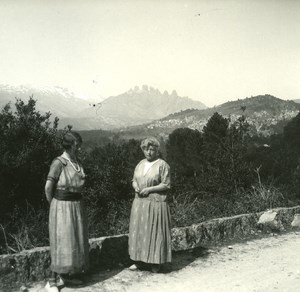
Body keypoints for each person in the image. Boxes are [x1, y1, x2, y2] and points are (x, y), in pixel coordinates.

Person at [44, 131, 89, 291]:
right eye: (77, 145)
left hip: (76, 205)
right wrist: (55, 206)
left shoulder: (76, 161)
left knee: (75, 241)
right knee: (61, 242)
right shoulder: (58, 163)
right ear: (70, 145)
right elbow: (48, 188)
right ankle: (51, 280)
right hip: (62, 207)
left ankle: (67, 277)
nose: (79, 148)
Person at [128, 137, 172, 273]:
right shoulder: (140, 164)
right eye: (146, 149)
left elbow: (166, 184)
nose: (149, 152)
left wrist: (149, 189)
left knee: (155, 232)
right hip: (140, 203)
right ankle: (139, 260)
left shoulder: (163, 165)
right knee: (140, 231)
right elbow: (134, 180)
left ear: (157, 150)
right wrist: (135, 186)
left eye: (152, 149)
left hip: (155, 203)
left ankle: (155, 262)